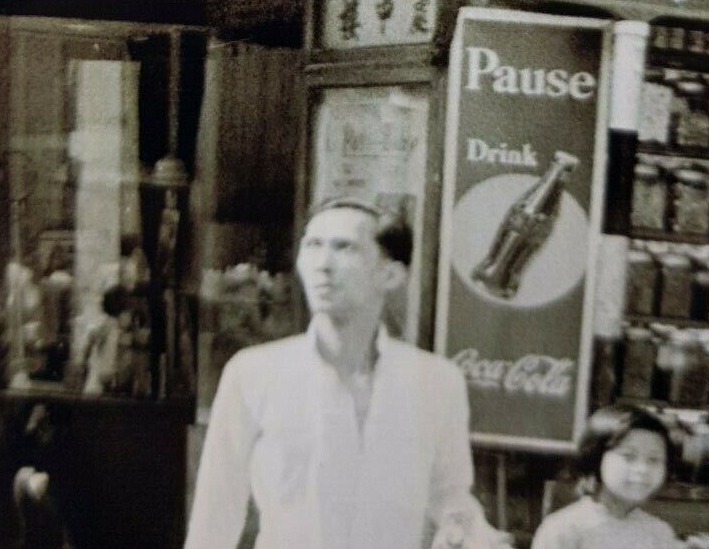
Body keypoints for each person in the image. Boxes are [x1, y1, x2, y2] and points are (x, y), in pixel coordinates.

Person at [184, 197, 507, 549]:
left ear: (391, 273)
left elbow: (451, 498)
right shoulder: (253, 375)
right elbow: (216, 513)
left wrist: (470, 532)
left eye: (345, 248)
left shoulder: (436, 383)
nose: (323, 264)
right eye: (312, 246)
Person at [531, 407, 677, 549]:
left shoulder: (660, 535)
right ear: (597, 457)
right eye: (629, 456)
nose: (643, 469)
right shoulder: (564, 529)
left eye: (654, 459)